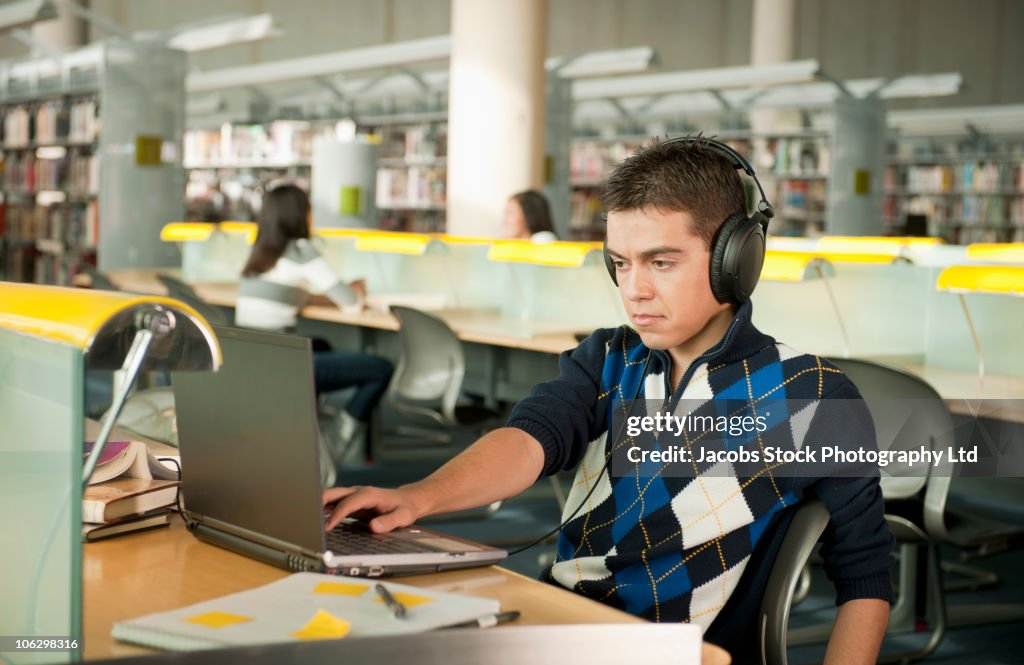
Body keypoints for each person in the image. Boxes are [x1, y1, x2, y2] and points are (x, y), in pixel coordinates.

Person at [323, 138, 893, 663]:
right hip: (561, 624)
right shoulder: (608, 358)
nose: (634, 289)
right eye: (620, 263)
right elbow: (528, 440)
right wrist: (418, 498)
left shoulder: (810, 395)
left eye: (661, 262)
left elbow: (865, 574)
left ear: (735, 259)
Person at [236, 184, 394, 484]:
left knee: (322, 345)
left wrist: (334, 295)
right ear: (301, 215)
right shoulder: (301, 251)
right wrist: (355, 290)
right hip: (282, 364)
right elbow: (351, 305)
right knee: (380, 368)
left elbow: (296, 297)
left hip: (254, 360)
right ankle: (338, 441)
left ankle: (304, 433)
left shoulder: (259, 252)